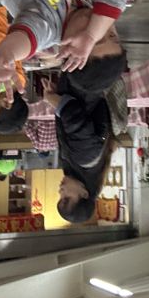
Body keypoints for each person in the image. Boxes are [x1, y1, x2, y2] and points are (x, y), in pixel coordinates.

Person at [0, 0, 129, 96]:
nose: (102, 30)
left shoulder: (48, 28)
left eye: (95, 42)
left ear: (66, 51)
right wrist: (91, 35)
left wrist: (6, 53)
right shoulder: (93, 8)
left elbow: (28, 38)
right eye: (112, 36)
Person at [51, 82, 115, 225]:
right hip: (85, 84)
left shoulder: (81, 167)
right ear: (84, 194)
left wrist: (58, 95)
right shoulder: (85, 159)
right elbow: (74, 117)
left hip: (84, 87)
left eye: (60, 197)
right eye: (67, 198)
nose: (61, 191)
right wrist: (54, 100)